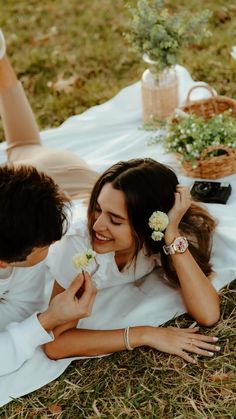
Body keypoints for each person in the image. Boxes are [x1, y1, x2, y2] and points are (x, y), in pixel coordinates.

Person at [45, 158, 221, 365]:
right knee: (24, 149)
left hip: (80, 186)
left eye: (116, 220)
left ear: (149, 226)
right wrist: (145, 334)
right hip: (62, 175)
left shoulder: (159, 237)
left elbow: (208, 314)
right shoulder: (79, 247)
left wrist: (171, 233)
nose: (97, 225)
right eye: (98, 209)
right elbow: (56, 343)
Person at [0, 30, 97, 375]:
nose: (54, 246)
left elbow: (18, 306)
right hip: (68, 179)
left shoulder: (20, 238)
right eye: (46, 245)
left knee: (26, 149)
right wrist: (49, 319)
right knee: (25, 146)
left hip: (63, 176)